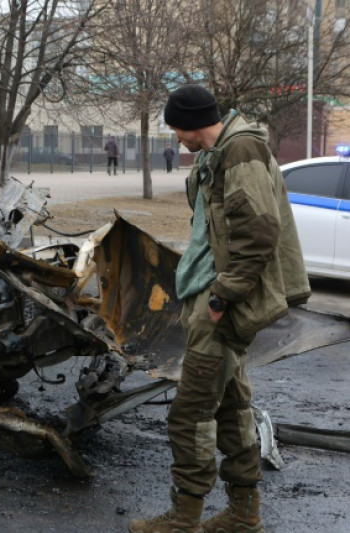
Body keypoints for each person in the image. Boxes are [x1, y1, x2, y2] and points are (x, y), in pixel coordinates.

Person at [129, 85, 310, 533]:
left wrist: (221, 297)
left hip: (222, 306)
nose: (176, 139)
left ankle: (184, 518)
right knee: (232, 410)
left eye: (175, 129)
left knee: (190, 413)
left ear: (192, 123)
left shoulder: (241, 150)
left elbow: (258, 232)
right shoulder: (219, 154)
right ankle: (244, 515)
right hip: (210, 300)